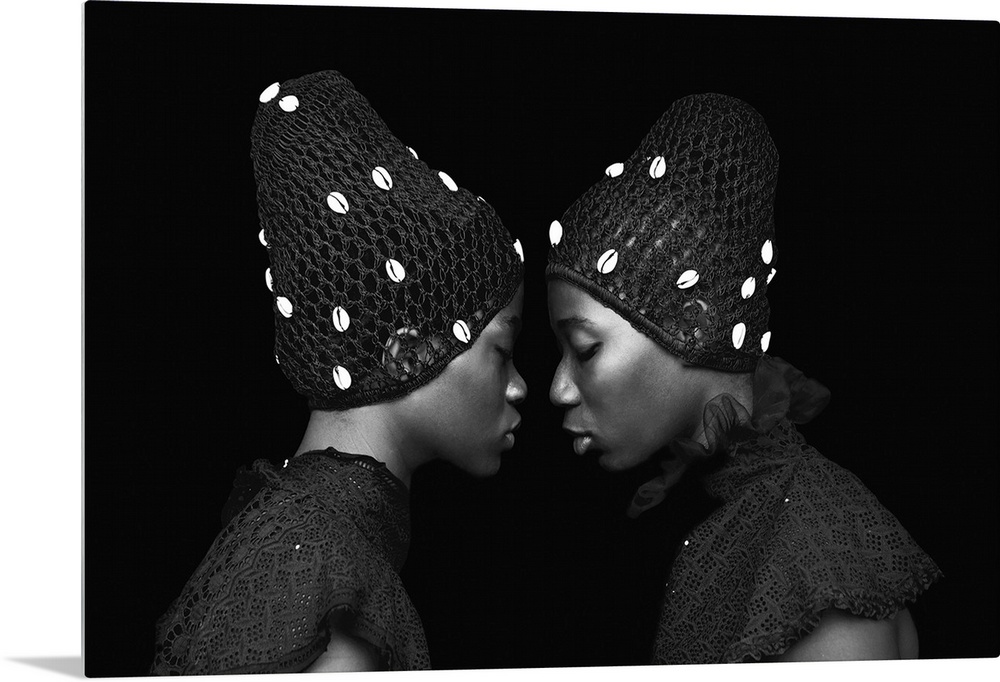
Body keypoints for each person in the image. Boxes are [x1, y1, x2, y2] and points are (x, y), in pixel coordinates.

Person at [150, 70, 526, 674]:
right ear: (409, 354)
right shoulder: (334, 578)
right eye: (502, 350)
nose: (519, 386)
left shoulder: (294, 533)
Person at [545, 93, 941, 663]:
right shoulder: (721, 512)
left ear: (693, 324)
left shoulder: (817, 561)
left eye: (584, 349)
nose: (558, 388)